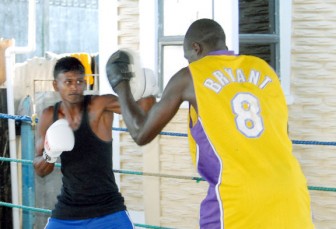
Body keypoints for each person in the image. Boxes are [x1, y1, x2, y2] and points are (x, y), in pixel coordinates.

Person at [106, 18, 315, 228]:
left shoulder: (190, 76)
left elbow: (141, 132)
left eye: (188, 56)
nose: (188, 62)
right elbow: (282, 132)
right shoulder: (264, 68)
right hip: (291, 188)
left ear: (196, 48)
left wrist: (121, 84)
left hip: (238, 195)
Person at [33, 56, 154, 229]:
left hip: (108, 209)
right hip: (68, 211)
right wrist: (50, 153)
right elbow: (40, 170)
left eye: (79, 81)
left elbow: (142, 108)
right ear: (55, 85)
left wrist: (147, 90)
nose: (75, 87)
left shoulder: (99, 105)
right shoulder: (48, 116)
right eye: (68, 82)